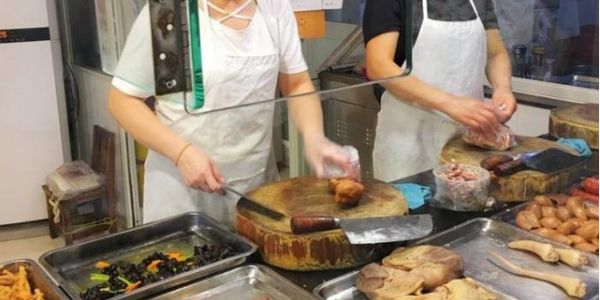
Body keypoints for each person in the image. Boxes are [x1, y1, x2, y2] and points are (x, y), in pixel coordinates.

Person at [109, 0, 355, 226]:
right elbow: (123, 101)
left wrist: (314, 138)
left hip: (257, 192)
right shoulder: (171, 13)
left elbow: (297, 83)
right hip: (182, 198)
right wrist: (181, 153)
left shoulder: (273, 8)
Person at [363, 0, 518, 182]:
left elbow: (496, 53)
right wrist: (451, 104)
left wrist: (503, 88)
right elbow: (378, 66)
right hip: (409, 143)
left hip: (467, 144)